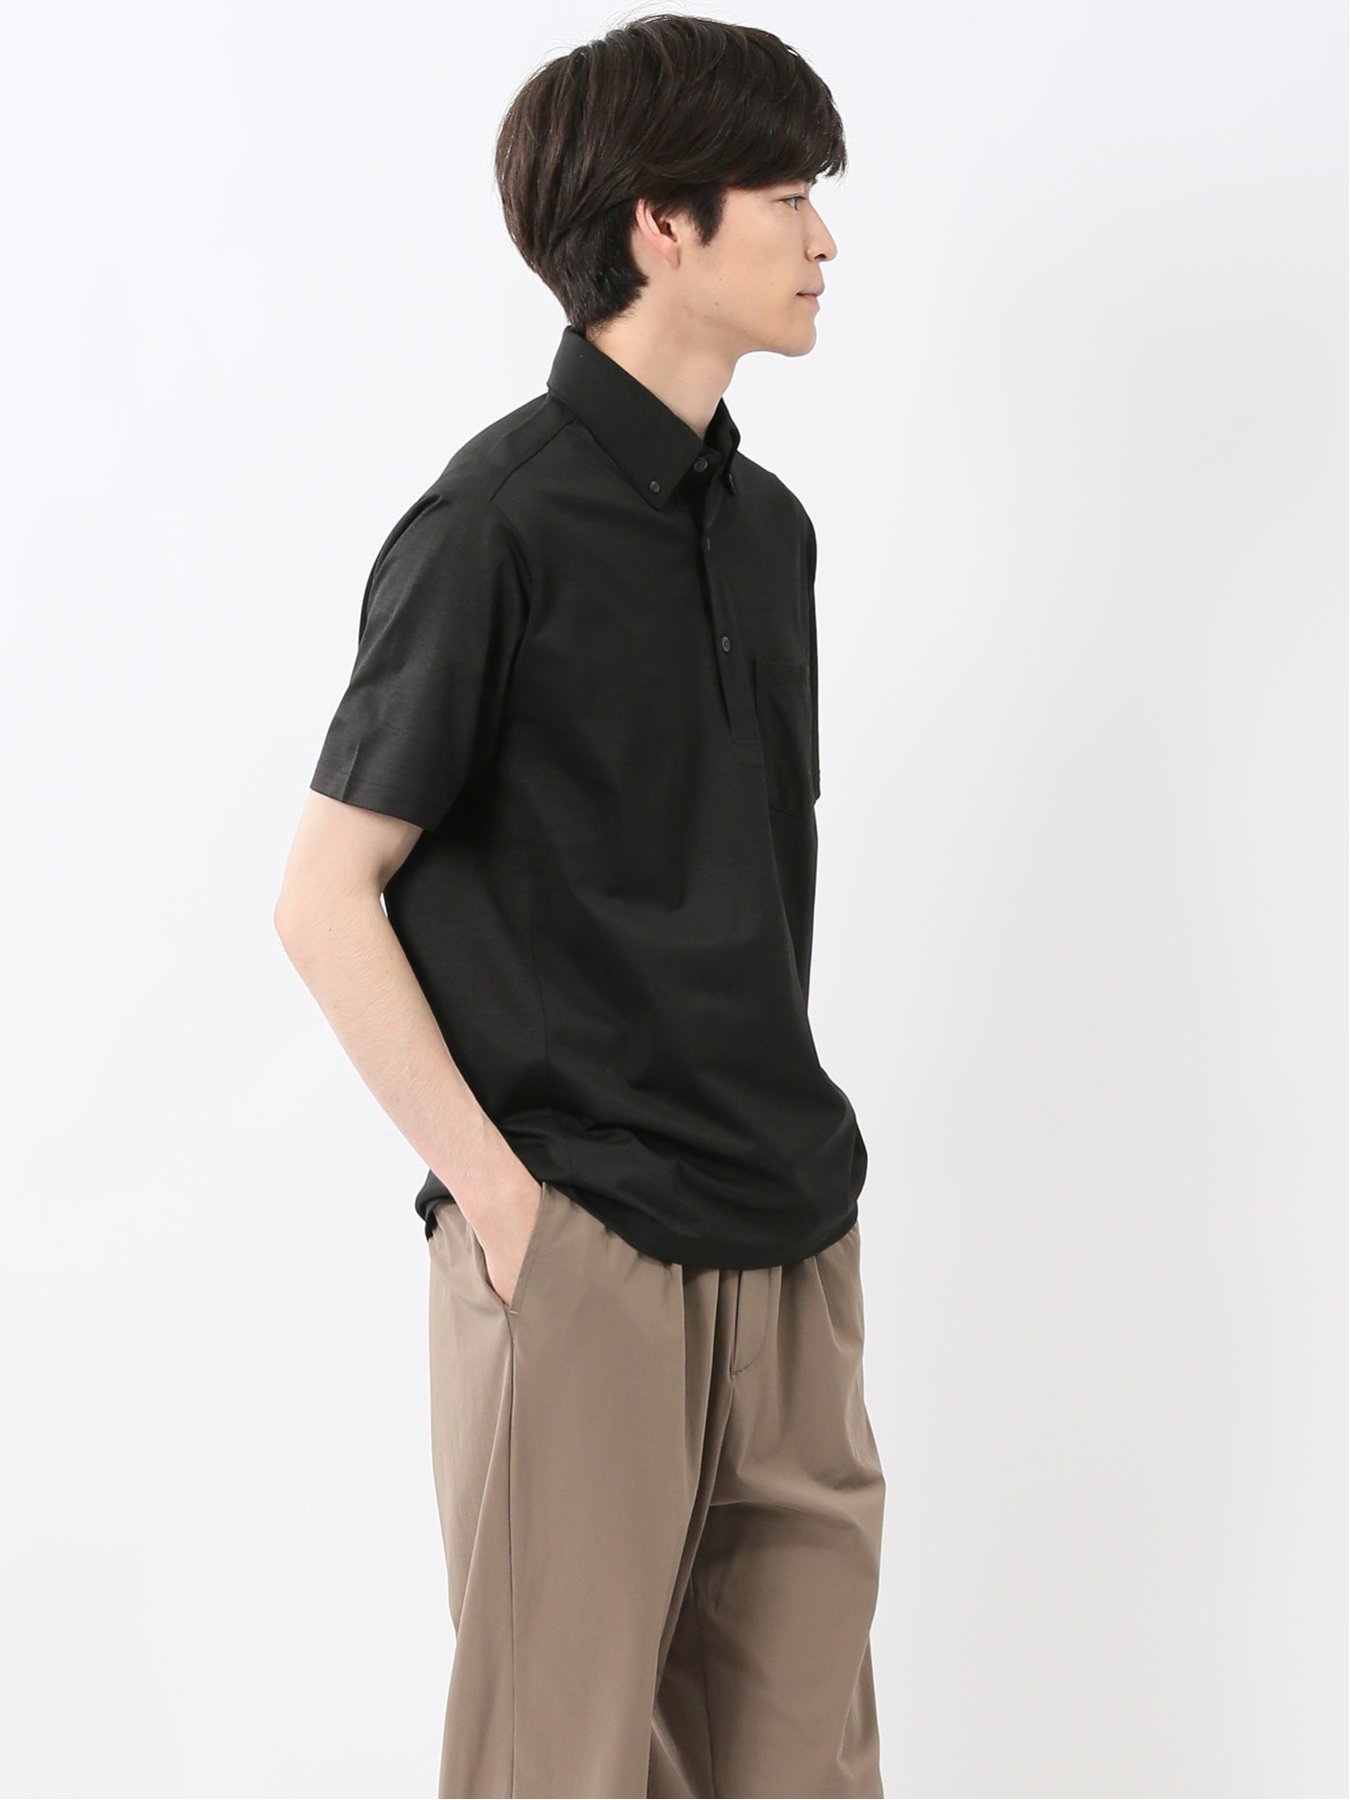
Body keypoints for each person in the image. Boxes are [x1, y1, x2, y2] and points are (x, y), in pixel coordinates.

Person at [274, 15, 885, 1796]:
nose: (824, 239)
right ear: (658, 226)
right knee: (556, 1767)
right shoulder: (492, 528)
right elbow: (324, 895)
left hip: (789, 1226)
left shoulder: (769, 533)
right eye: (786, 197)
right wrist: (503, 1206)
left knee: (804, 1769)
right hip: (585, 1244)